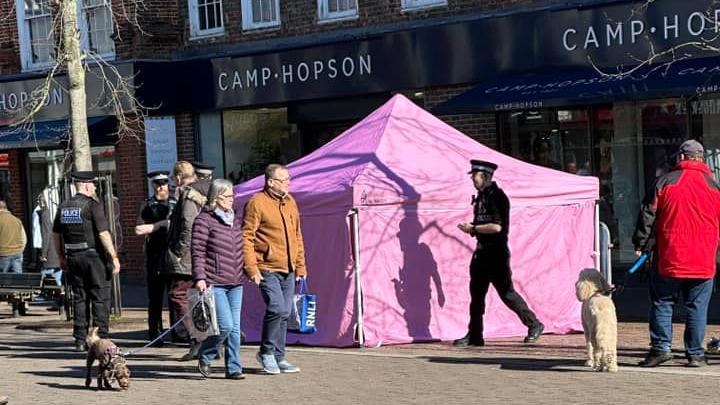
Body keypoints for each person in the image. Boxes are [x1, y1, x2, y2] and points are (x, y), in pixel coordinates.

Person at [633, 139, 720, 368]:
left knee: (662, 302)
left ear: (681, 157)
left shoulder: (664, 182)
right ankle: (695, 354)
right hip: (703, 259)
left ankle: (661, 349)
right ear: (701, 159)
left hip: (670, 256)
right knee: (697, 307)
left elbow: (648, 214)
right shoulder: (714, 187)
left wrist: (641, 243)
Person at [453, 160, 544, 347]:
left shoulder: (498, 197)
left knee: (507, 294)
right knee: (476, 296)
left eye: (475, 176)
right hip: (481, 253)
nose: (472, 179)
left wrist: (473, 228)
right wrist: (474, 229)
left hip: (496, 255)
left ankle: (534, 324)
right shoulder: (481, 198)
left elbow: (496, 227)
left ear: (485, 177)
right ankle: (475, 335)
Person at [243, 164, 306, 375]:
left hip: (288, 267)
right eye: (284, 179)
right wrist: (251, 268)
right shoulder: (256, 202)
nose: (289, 183)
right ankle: (266, 352)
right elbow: (246, 237)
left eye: (289, 179)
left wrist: (300, 266)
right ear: (270, 182)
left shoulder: (290, 202)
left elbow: (297, 236)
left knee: (286, 312)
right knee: (277, 308)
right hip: (266, 266)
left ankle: (279, 356)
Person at [52, 171, 120, 352]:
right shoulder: (92, 205)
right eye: (94, 185)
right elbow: (103, 233)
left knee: (80, 298)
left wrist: (60, 257)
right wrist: (113, 256)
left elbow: (56, 235)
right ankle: (101, 338)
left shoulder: (64, 206)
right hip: (94, 257)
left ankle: (80, 340)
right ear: (87, 185)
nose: (95, 188)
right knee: (100, 297)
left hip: (73, 257)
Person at [192, 179, 246, 379]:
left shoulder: (236, 220)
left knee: (235, 328)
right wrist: (200, 277)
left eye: (233, 195)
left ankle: (234, 367)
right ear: (217, 197)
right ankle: (206, 355)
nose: (232, 200)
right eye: (228, 196)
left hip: (236, 280)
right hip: (215, 280)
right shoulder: (204, 220)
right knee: (226, 325)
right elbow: (197, 250)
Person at [166, 161, 213, 360]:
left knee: (178, 294)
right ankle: (204, 340)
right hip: (206, 252)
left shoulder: (188, 195)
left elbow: (188, 225)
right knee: (198, 296)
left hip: (190, 256)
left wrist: (179, 251)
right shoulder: (206, 190)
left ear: (178, 178)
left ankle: (200, 338)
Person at [135, 170, 175, 344]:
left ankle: (179, 333)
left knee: (176, 296)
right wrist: (160, 225)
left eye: (164, 184)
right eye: (157, 184)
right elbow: (138, 229)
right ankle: (156, 333)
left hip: (174, 254)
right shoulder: (147, 205)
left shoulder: (176, 202)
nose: (161, 187)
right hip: (155, 255)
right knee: (155, 297)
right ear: (153, 185)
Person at [38, 191, 62, 286]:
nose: (37, 202)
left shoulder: (45, 214)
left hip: (50, 252)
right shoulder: (54, 211)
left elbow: (46, 234)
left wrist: (43, 254)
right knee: (57, 279)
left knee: (43, 279)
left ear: (43, 201)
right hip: (57, 250)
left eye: (39, 200)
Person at [0, 199, 26, 273]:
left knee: (2, 281)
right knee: (18, 282)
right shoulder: (17, 220)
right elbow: (24, 239)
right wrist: (19, 250)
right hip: (17, 254)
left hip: (3, 254)